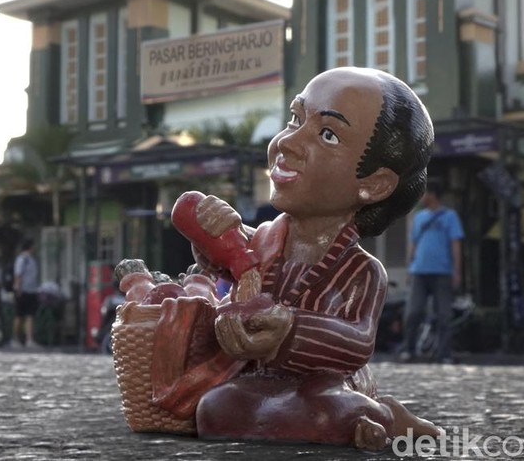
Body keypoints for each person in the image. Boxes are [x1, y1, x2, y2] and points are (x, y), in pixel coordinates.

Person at [122, 67, 441, 449]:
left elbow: (357, 340)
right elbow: (219, 265)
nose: (288, 142)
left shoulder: (362, 270)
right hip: (258, 382)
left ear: (373, 184)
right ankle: (358, 420)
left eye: (327, 134)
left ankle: (379, 415)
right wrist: (212, 233)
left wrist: (288, 329)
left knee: (322, 407)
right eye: (295, 119)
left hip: (326, 384)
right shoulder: (260, 242)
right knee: (215, 408)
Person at [400, 182, 464, 364]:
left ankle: (444, 353)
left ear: (433, 195)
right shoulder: (419, 217)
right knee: (413, 312)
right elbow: (413, 244)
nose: (421, 197)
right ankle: (408, 349)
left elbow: (455, 245)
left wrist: (457, 271)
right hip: (419, 271)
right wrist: (409, 267)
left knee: (444, 315)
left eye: (424, 193)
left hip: (442, 271)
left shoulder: (450, 217)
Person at [12, 238, 40, 349]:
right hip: (22, 291)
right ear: (30, 247)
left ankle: (29, 339)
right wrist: (18, 290)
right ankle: (15, 339)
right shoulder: (22, 259)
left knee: (30, 316)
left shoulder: (32, 259)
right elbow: (18, 275)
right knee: (19, 316)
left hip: (32, 290)